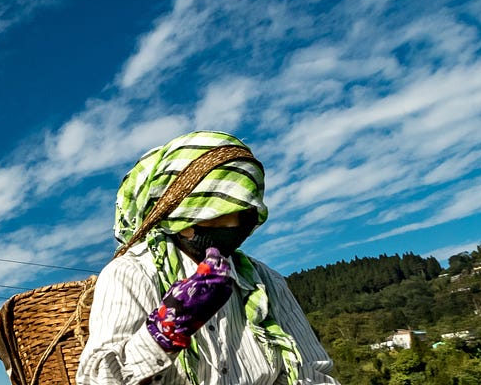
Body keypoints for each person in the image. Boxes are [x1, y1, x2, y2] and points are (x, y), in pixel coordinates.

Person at [74, 131, 336, 385]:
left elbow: (312, 374)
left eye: (242, 214)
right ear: (176, 216)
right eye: (219, 213)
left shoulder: (267, 282)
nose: (233, 225)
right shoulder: (132, 273)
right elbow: (99, 379)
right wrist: (165, 330)